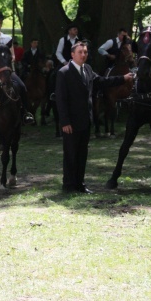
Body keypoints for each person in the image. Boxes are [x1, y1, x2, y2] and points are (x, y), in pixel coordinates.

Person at [55, 42, 134, 194]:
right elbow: (61, 99)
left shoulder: (88, 69)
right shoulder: (63, 72)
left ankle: (80, 184)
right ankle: (69, 185)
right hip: (70, 122)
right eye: (80, 52)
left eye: (85, 52)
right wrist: (64, 122)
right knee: (70, 154)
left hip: (85, 120)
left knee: (82, 153)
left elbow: (103, 82)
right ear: (72, 54)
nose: (83, 55)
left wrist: (123, 78)